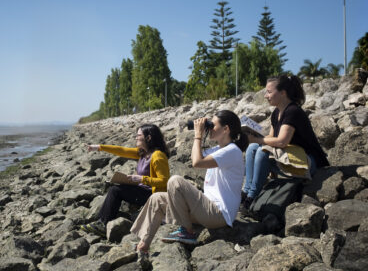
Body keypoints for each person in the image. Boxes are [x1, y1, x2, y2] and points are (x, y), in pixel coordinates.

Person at [130, 110, 248, 255]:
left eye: (213, 125)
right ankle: (143, 245)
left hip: (218, 214)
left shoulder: (232, 151)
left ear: (226, 129)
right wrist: (198, 135)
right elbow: (195, 157)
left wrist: (198, 135)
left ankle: (187, 232)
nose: (210, 128)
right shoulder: (219, 149)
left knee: (175, 181)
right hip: (206, 209)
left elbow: (197, 162)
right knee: (157, 198)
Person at [242, 75, 329, 208]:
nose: (266, 95)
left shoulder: (293, 111)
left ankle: (251, 197)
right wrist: (253, 137)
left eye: (269, 92)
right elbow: (271, 137)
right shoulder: (276, 113)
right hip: (291, 156)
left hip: (308, 163)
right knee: (252, 147)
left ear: (283, 93)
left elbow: (282, 142)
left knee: (261, 150)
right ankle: (246, 191)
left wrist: (255, 139)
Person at [81, 124, 170, 237]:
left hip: (153, 196)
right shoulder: (143, 152)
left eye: (138, 135)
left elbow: (165, 181)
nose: (136, 138)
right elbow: (122, 150)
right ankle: (102, 221)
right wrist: (99, 147)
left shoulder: (158, 156)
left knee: (116, 190)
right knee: (116, 187)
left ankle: (103, 224)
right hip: (143, 191)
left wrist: (142, 179)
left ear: (148, 138)